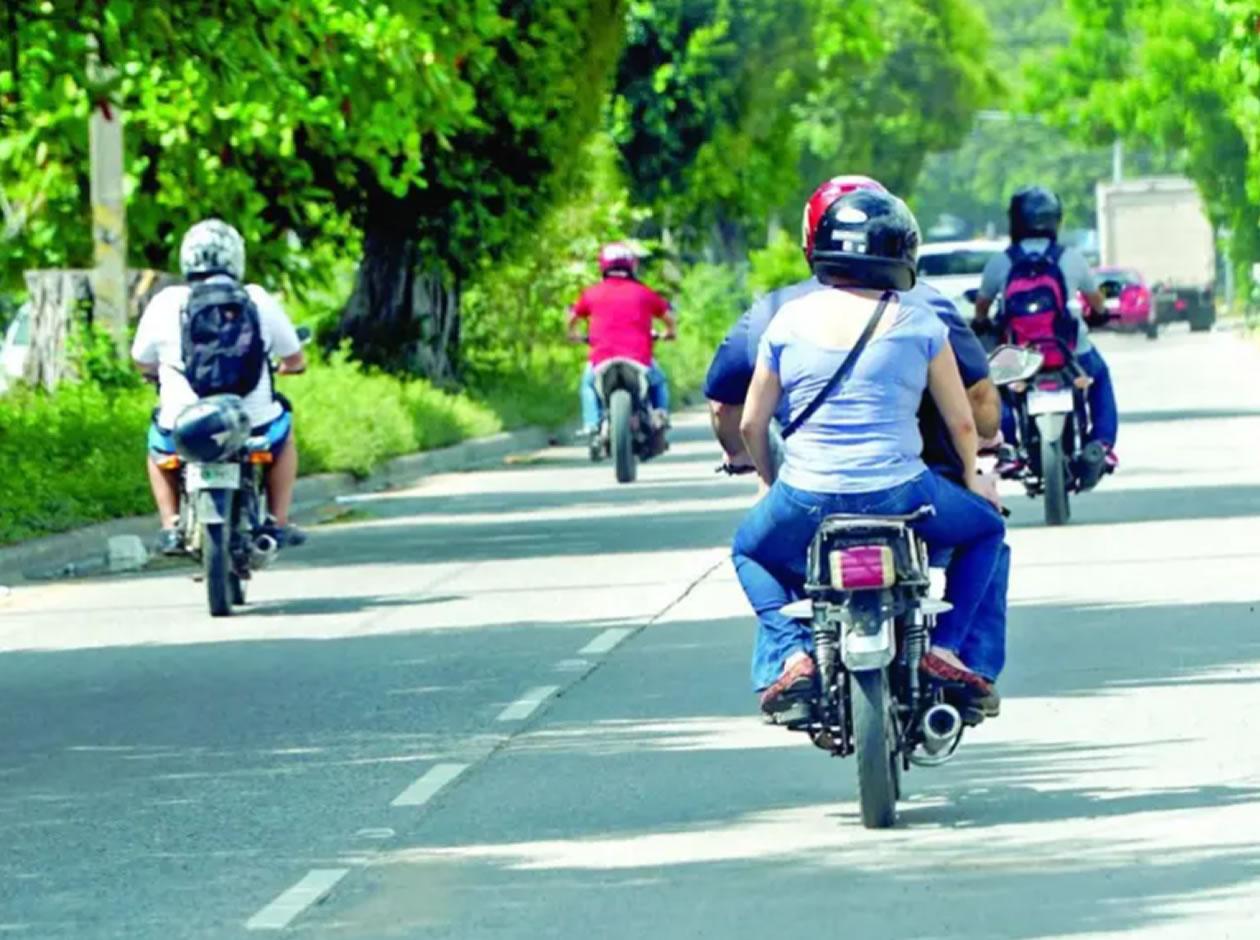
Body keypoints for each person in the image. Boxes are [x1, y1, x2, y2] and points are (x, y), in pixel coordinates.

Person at [706, 175, 1011, 693]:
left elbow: (751, 422)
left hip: (806, 495)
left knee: (749, 551)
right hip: (902, 493)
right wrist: (971, 477)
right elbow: (963, 421)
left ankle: (790, 654)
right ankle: (948, 648)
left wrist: (772, 480)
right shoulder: (921, 320)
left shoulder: (784, 319)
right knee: (986, 532)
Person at [132, 219, 307, 554]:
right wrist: (290, 367)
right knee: (284, 438)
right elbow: (294, 357)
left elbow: (141, 358)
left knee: (158, 448)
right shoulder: (256, 298)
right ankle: (278, 522)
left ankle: (170, 525)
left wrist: (154, 373)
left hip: (182, 421)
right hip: (253, 421)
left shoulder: (166, 302)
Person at [974, 185, 1119, 478]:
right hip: (1069, 352)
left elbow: (982, 307)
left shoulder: (1001, 262)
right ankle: (1102, 444)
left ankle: (1007, 448)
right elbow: (1096, 302)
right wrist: (1101, 314)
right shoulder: (1072, 259)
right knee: (1099, 378)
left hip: (1019, 355)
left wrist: (981, 322)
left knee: (995, 386)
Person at [568, 243, 677, 439]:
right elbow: (668, 318)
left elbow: (572, 318)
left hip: (602, 360)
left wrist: (573, 334)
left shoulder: (592, 293)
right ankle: (660, 414)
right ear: (631, 265)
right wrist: (669, 332)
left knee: (588, 384)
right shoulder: (643, 292)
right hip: (639, 359)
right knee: (659, 382)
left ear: (603, 266)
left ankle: (592, 423)